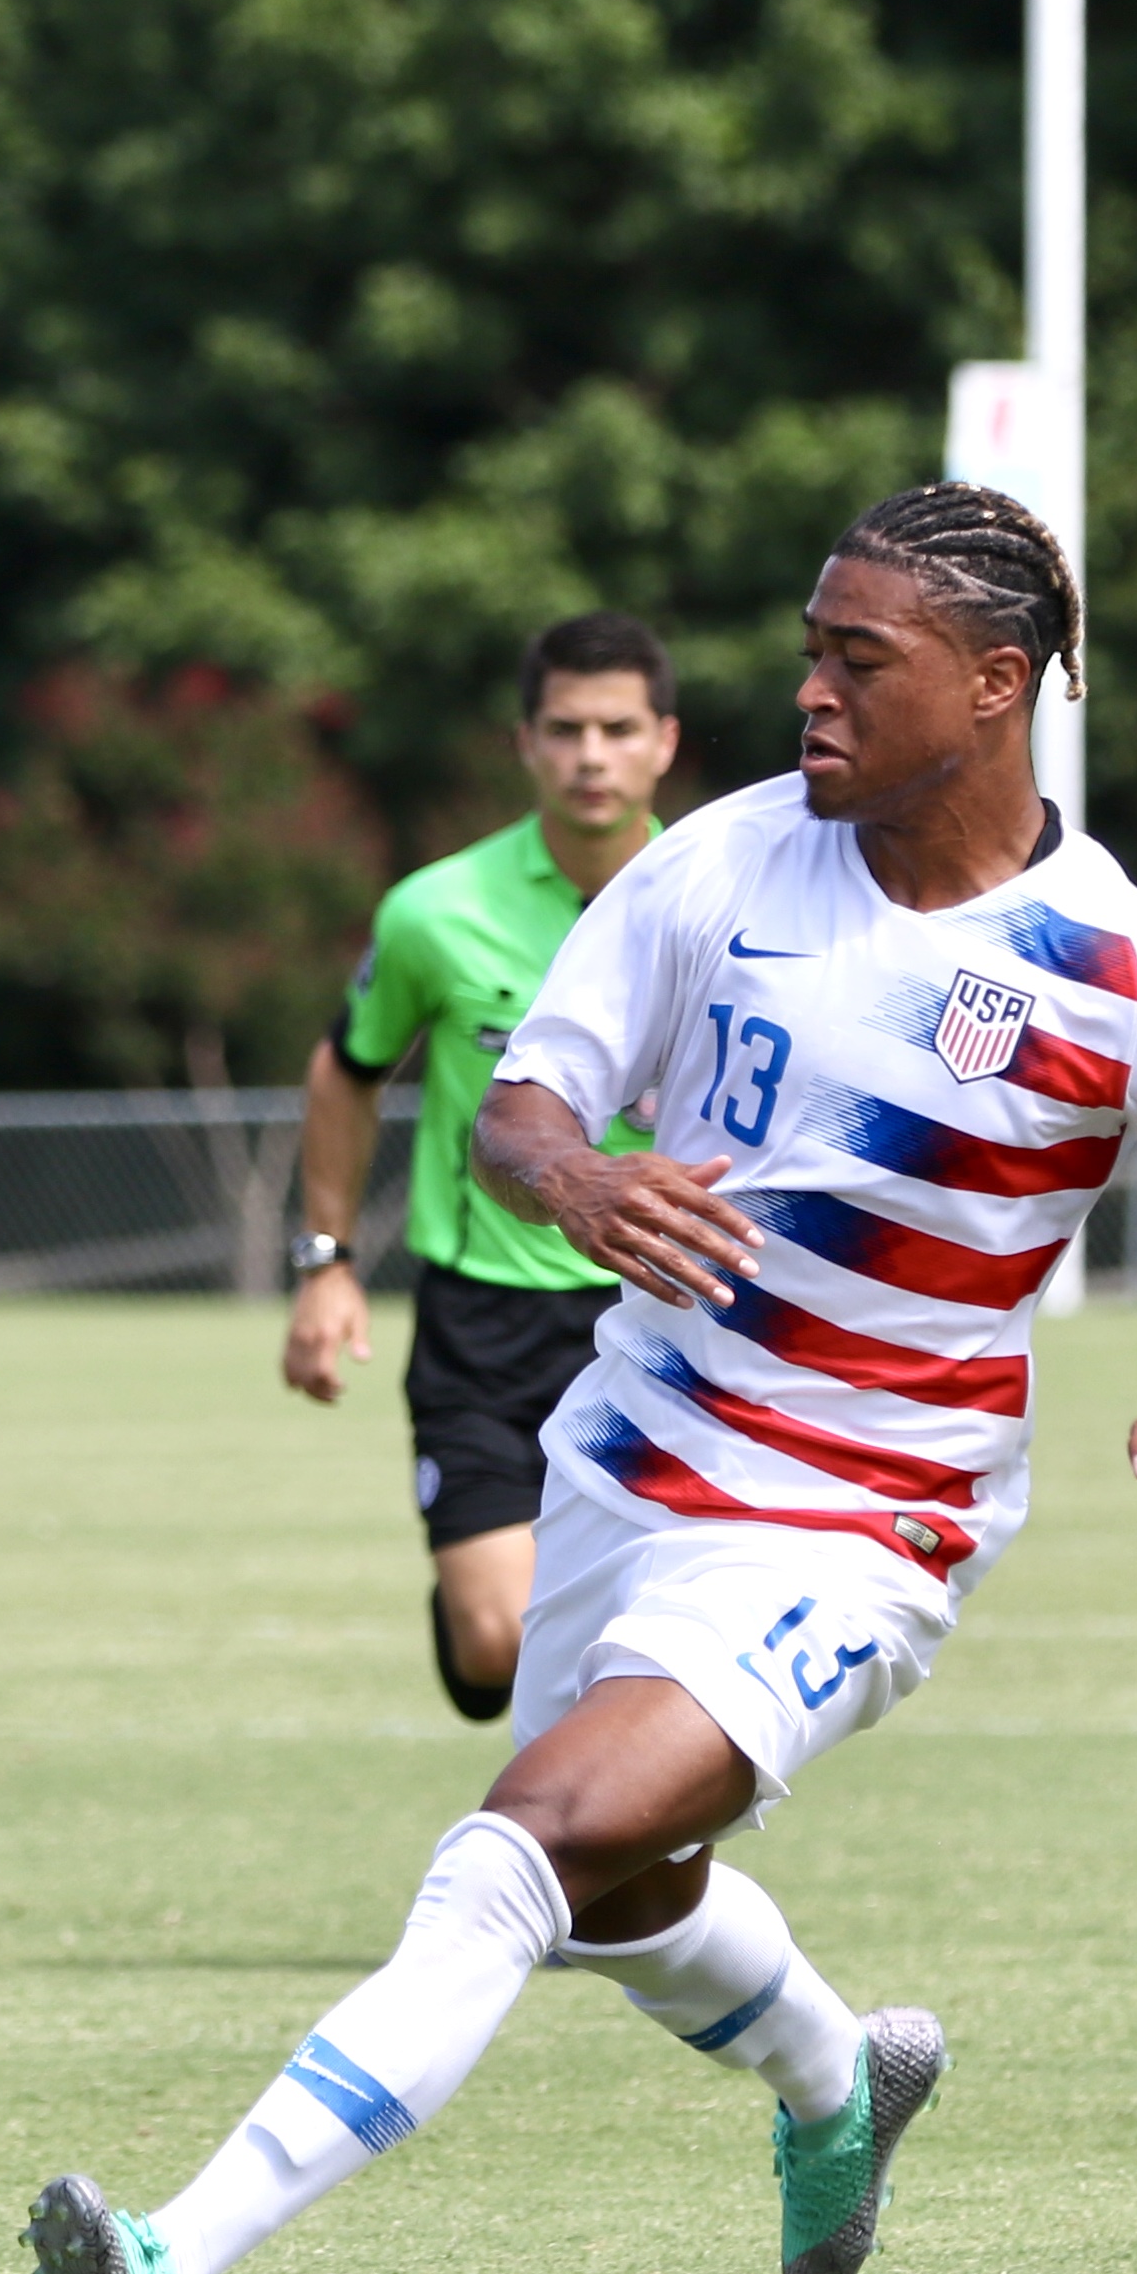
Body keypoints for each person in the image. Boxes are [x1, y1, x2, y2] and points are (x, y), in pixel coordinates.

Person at [24, 482, 1137, 2274]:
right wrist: (572, 1178)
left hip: (864, 1522)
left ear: (997, 686)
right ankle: (838, 2074)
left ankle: (159, 2264)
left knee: (526, 1847)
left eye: (854, 661)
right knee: (618, 1899)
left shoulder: (1125, 966)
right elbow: (524, 1106)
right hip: (630, 1464)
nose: (805, 694)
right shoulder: (720, 862)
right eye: (807, 652)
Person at [281, 611, 680, 1717]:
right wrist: (325, 1261)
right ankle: (474, 1625)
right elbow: (344, 1070)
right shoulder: (434, 910)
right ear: (525, 743)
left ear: (664, 742)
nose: (589, 756)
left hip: (666, 1320)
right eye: (564, 729)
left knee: (643, 1655)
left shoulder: (723, 902)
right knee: (500, 1645)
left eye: (615, 728)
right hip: (484, 1324)